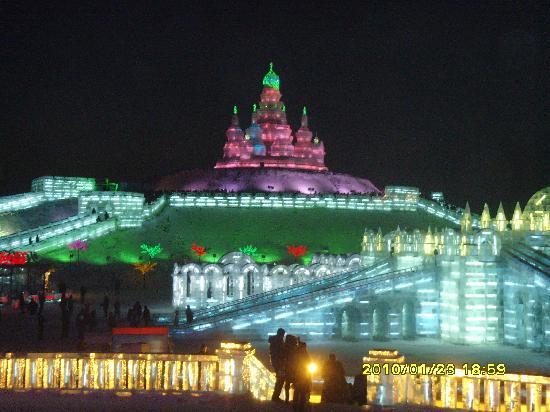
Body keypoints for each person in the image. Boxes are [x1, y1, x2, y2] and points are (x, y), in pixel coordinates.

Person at [293, 341, 312, 412]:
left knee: (297, 391)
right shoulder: (304, 354)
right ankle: (301, 407)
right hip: (303, 376)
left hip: (299, 376)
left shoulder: (296, 354)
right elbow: (308, 363)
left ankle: (296, 406)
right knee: (302, 391)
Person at [269, 328, 286, 402]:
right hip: (279, 363)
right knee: (280, 379)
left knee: (279, 379)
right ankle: (275, 397)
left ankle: (275, 396)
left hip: (275, 362)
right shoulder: (279, 341)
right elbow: (281, 352)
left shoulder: (274, 340)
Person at [283, 334, 299, 403]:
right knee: (295, 384)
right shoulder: (295, 348)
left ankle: (287, 398)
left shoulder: (285, 348)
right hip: (294, 368)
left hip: (288, 368)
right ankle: (295, 399)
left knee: (287, 384)